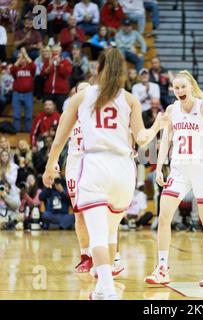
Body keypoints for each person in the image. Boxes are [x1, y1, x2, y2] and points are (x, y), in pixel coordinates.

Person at [42, 48, 166, 300]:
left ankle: (108, 289)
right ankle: (100, 289)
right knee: (110, 232)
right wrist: (157, 126)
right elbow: (142, 140)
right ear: (122, 72)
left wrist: (50, 164)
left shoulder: (81, 97)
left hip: (96, 165)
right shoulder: (130, 99)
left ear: (97, 69)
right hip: (123, 170)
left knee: (97, 234)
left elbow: (60, 138)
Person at [144, 70, 203, 287]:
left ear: (191, 87)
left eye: (183, 87)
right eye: (176, 87)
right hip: (178, 169)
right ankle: (162, 268)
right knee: (164, 216)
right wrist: (160, 167)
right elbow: (166, 141)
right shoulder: (171, 110)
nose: (179, 90)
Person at [62, 82, 123, 276]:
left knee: (108, 214)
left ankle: (114, 256)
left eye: (87, 91)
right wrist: (52, 162)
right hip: (74, 166)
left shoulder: (101, 115)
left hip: (97, 164)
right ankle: (86, 256)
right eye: (80, 91)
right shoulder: (70, 115)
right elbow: (58, 140)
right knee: (79, 214)